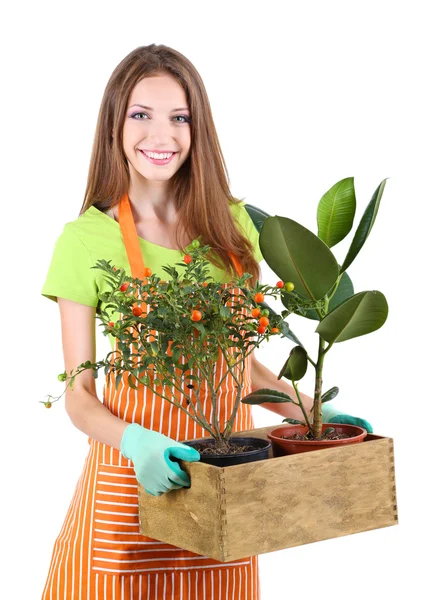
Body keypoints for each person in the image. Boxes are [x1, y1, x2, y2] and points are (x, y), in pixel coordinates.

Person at [40, 44, 372, 600]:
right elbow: (78, 397)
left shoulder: (234, 227)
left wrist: (319, 418)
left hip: (225, 497)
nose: (160, 135)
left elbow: (244, 374)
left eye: (179, 117)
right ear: (115, 125)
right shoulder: (84, 241)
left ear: (199, 129)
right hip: (128, 497)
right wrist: (138, 442)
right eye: (140, 115)